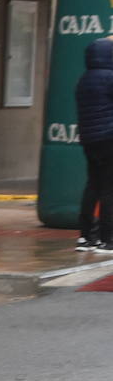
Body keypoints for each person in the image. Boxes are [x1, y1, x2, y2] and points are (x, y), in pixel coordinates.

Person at [75, 36, 113, 253]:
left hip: (90, 140)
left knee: (93, 186)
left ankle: (86, 237)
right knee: (109, 189)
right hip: (109, 137)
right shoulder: (109, 78)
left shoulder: (84, 79)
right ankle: (109, 240)